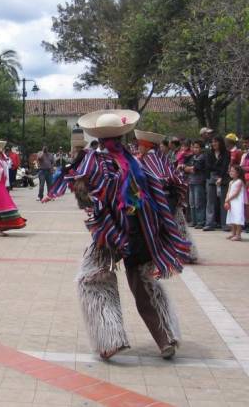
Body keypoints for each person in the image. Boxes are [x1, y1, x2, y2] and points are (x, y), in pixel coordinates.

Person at [46, 110, 189, 360]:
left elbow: (85, 196)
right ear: (122, 136)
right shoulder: (137, 162)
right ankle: (166, 337)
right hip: (143, 232)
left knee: (92, 280)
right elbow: (167, 186)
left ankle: (111, 340)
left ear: (99, 138)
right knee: (144, 283)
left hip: (111, 234)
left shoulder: (93, 161)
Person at [135, 130, 198, 263]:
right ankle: (185, 252)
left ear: (147, 146)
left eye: (140, 144)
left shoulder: (150, 158)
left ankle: (177, 252)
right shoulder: (158, 157)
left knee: (165, 225)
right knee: (176, 225)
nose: (138, 147)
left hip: (162, 198)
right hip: (169, 197)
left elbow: (159, 178)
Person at [203, 136, 231, 231]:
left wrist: (221, 177)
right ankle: (209, 224)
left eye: (216, 141)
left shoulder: (227, 153)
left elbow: (225, 166)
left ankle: (225, 224)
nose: (214, 143)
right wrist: (218, 169)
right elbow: (208, 166)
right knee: (210, 202)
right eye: (212, 142)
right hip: (211, 178)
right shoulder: (209, 153)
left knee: (224, 201)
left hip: (223, 178)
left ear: (220, 142)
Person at [183, 140, 208, 229]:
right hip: (191, 181)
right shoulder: (192, 157)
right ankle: (194, 221)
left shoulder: (202, 157)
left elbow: (195, 168)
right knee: (192, 203)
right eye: (194, 147)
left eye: (197, 147)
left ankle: (200, 221)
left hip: (199, 182)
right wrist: (187, 168)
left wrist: (188, 168)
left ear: (201, 149)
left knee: (199, 202)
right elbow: (184, 167)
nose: (195, 149)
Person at [225, 165, 246, 241]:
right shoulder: (231, 182)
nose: (231, 172)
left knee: (237, 217)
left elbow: (236, 193)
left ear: (238, 173)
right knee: (232, 217)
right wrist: (226, 199)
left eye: (233, 171)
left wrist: (228, 199)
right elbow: (229, 191)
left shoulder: (239, 181)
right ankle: (233, 233)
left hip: (237, 202)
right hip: (231, 202)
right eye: (230, 171)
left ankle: (238, 235)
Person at [240, 137, 249, 233]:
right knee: (246, 204)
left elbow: (243, 167)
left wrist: (243, 168)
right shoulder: (245, 154)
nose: (245, 144)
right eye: (244, 143)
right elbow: (241, 167)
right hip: (245, 180)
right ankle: (246, 223)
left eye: (246, 142)